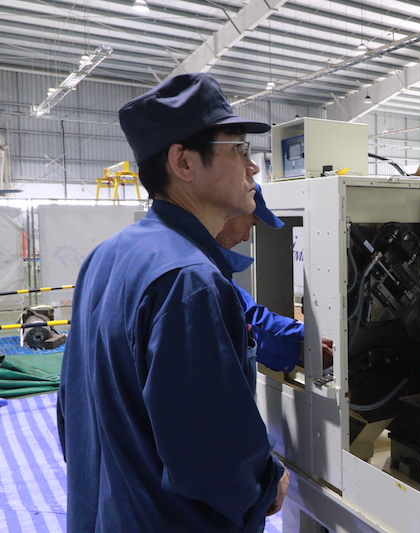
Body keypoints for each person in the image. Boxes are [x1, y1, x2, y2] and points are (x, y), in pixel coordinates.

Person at [57, 73, 289, 532]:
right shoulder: (190, 282)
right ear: (183, 162)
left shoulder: (105, 256)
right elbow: (213, 459)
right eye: (238, 149)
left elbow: (72, 414)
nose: (252, 167)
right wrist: (267, 486)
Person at [215, 186, 333, 372]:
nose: (246, 237)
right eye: (248, 225)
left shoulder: (214, 268)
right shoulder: (197, 270)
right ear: (225, 213)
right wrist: (299, 350)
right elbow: (232, 334)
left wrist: (306, 333)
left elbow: (252, 314)